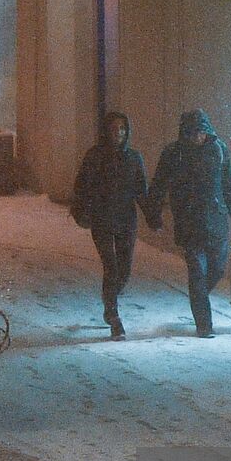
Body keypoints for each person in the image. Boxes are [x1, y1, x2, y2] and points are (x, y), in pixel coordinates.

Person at [143, 109, 231, 338]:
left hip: (216, 223)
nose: (197, 138)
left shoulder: (218, 150)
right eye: (193, 133)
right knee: (198, 273)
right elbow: (159, 185)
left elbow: (230, 188)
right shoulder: (173, 154)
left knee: (217, 270)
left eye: (201, 132)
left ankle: (198, 297)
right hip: (189, 223)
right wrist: (153, 215)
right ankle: (204, 324)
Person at [71, 111, 148, 340]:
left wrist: (152, 216)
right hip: (102, 219)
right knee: (111, 267)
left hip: (126, 220)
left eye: (123, 129)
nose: (119, 133)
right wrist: (81, 211)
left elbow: (140, 191)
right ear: (106, 132)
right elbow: (82, 187)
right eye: (114, 129)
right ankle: (113, 316)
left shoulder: (133, 159)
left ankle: (110, 299)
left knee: (124, 270)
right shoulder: (94, 157)